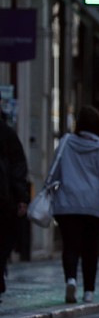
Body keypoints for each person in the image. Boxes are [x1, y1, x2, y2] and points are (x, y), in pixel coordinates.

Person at [50, 106, 99, 303]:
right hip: (93, 206)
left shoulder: (65, 142)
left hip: (67, 204)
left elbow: (54, 171)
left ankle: (71, 279)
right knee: (90, 248)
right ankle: (89, 291)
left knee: (70, 245)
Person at [0, 115, 29, 305]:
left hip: (4, 197)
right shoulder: (6, 133)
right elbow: (18, 167)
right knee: (3, 240)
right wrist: (21, 197)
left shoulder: (6, 133)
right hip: (3, 198)